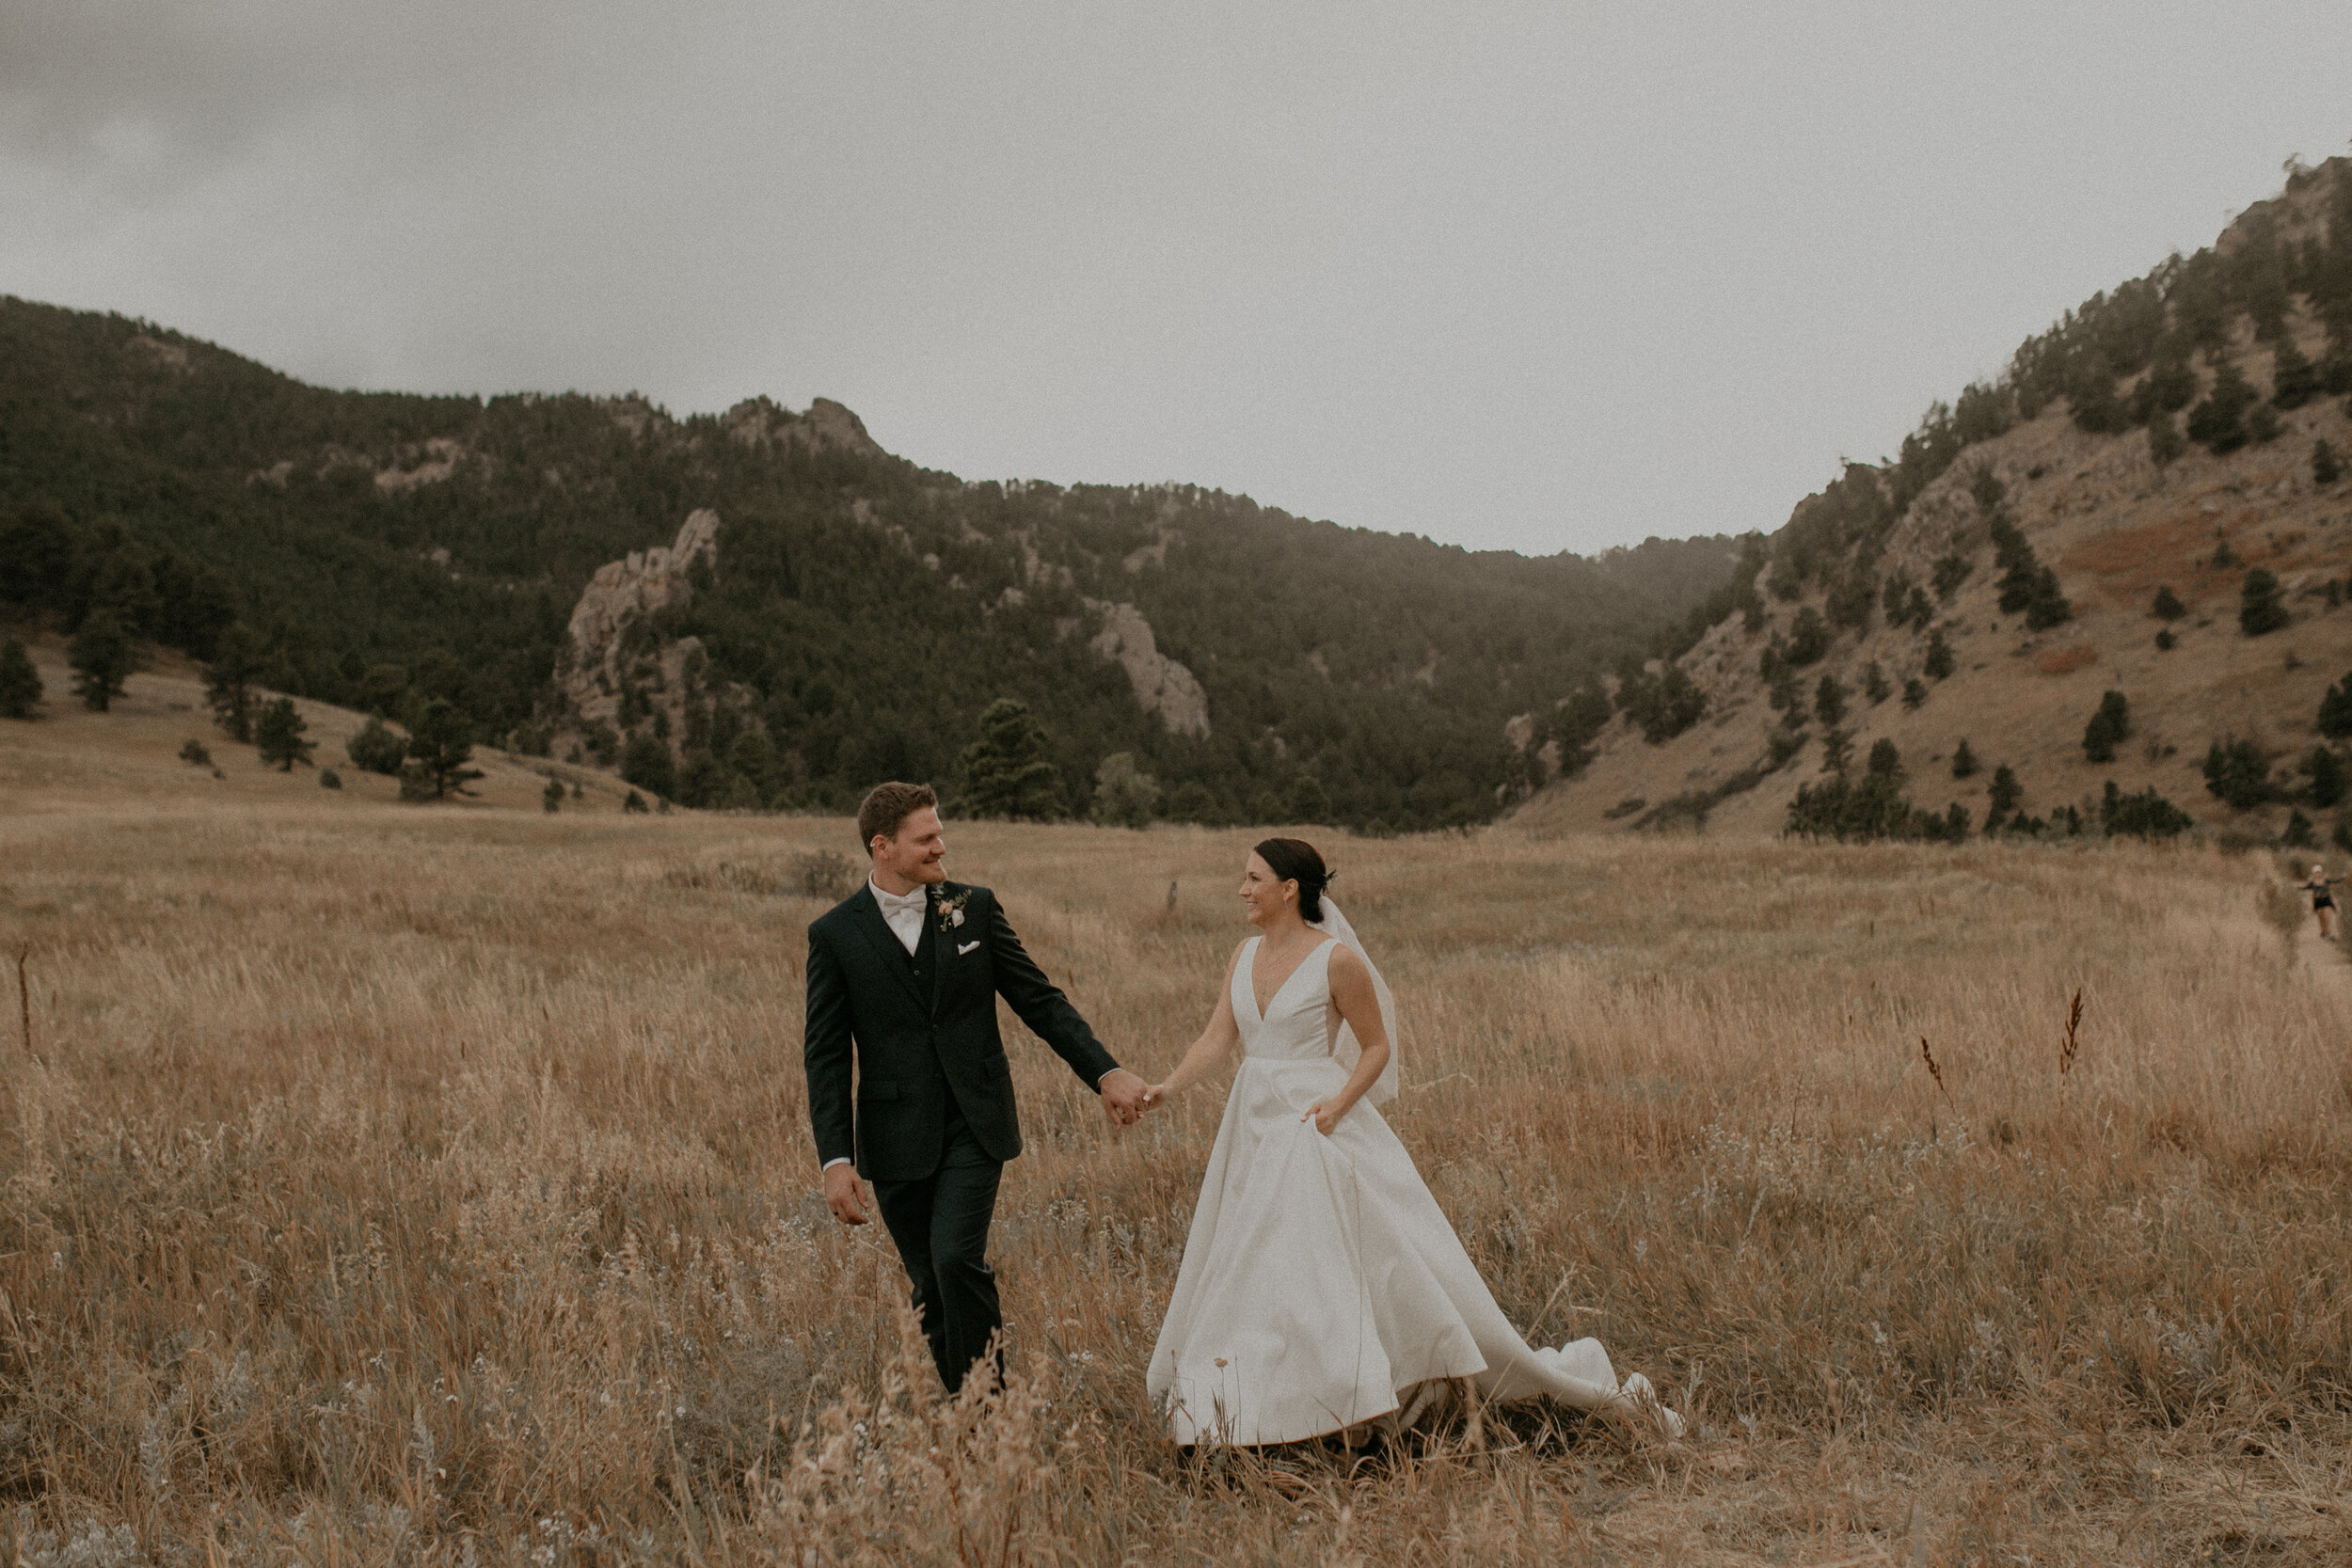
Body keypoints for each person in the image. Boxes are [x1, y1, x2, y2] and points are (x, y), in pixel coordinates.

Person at [1140, 837, 1681, 1446]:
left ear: (1288, 888)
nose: (1242, 889)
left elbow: (1375, 1046)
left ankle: (1352, 1403)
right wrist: (1165, 1087)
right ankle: (1256, 1403)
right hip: (1253, 1124)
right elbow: (1217, 1039)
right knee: (1253, 1260)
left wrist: (1338, 1106)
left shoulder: (1337, 960)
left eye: (1252, 878)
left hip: (1317, 1123)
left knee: (1324, 1262)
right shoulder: (1243, 955)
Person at [803, 782, 1153, 1393]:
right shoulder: (834, 935)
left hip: (976, 1119)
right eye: (927, 837)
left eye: (941, 832)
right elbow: (827, 1057)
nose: (943, 845)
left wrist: (1104, 1069)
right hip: (893, 1137)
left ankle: (989, 1412)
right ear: (882, 847)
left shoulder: (976, 906)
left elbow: (1039, 1000)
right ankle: (968, 1408)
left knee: (954, 1257)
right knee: (931, 1287)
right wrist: (836, 1158)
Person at [2301, 863, 2340, 940]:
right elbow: (2305, 888)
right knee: (2321, 918)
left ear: (2321, 872)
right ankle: (2323, 932)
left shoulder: (2326, 880)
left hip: (2326, 900)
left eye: (2319, 872)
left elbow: (2335, 881)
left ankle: (2328, 932)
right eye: (2316, 872)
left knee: (2327, 916)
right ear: (2314, 873)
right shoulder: (2312, 882)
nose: (2317, 874)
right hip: (2318, 901)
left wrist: (2345, 876)